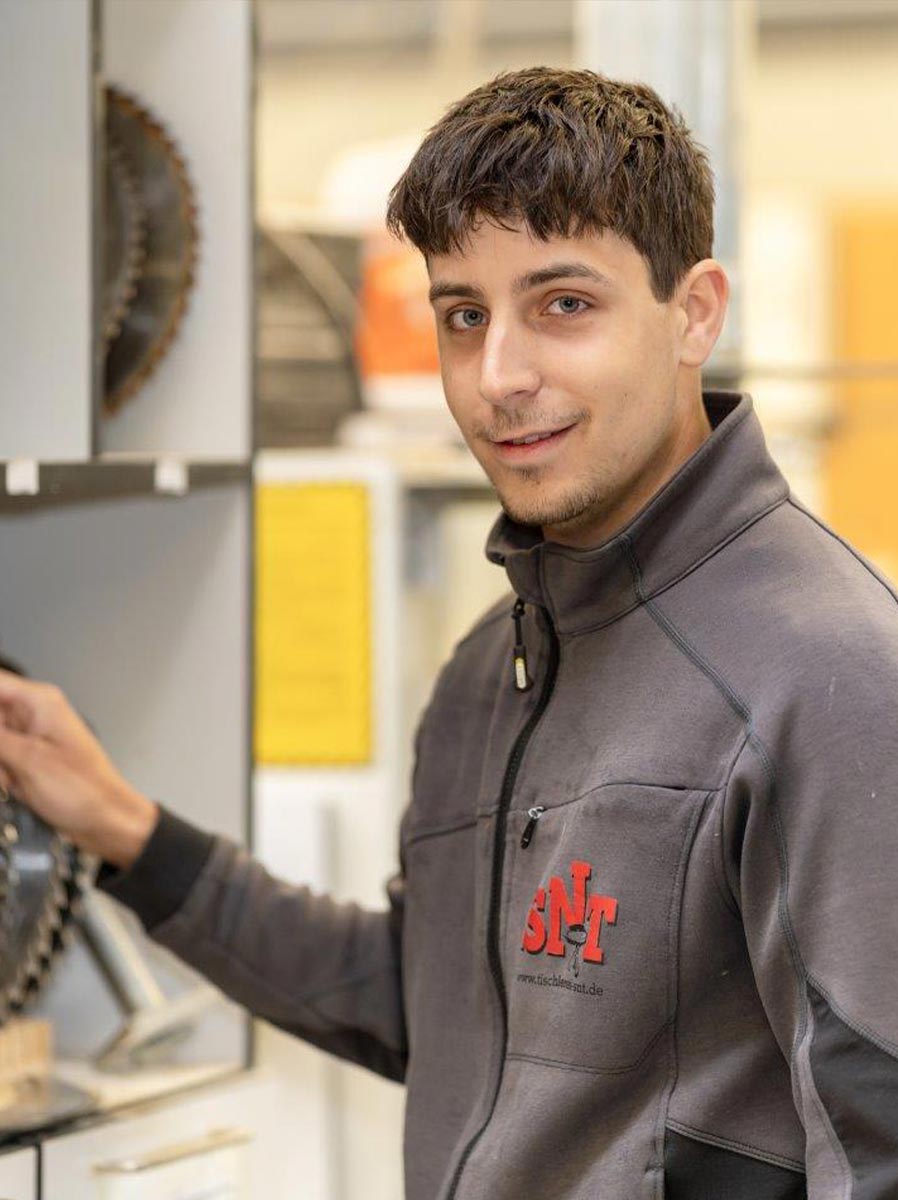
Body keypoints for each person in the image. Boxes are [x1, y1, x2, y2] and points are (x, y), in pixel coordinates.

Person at [0, 66, 895, 1200]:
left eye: (563, 305)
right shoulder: (493, 670)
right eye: (464, 316)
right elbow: (434, 1003)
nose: (499, 377)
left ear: (695, 313)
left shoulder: (827, 674)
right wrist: (125, 831)